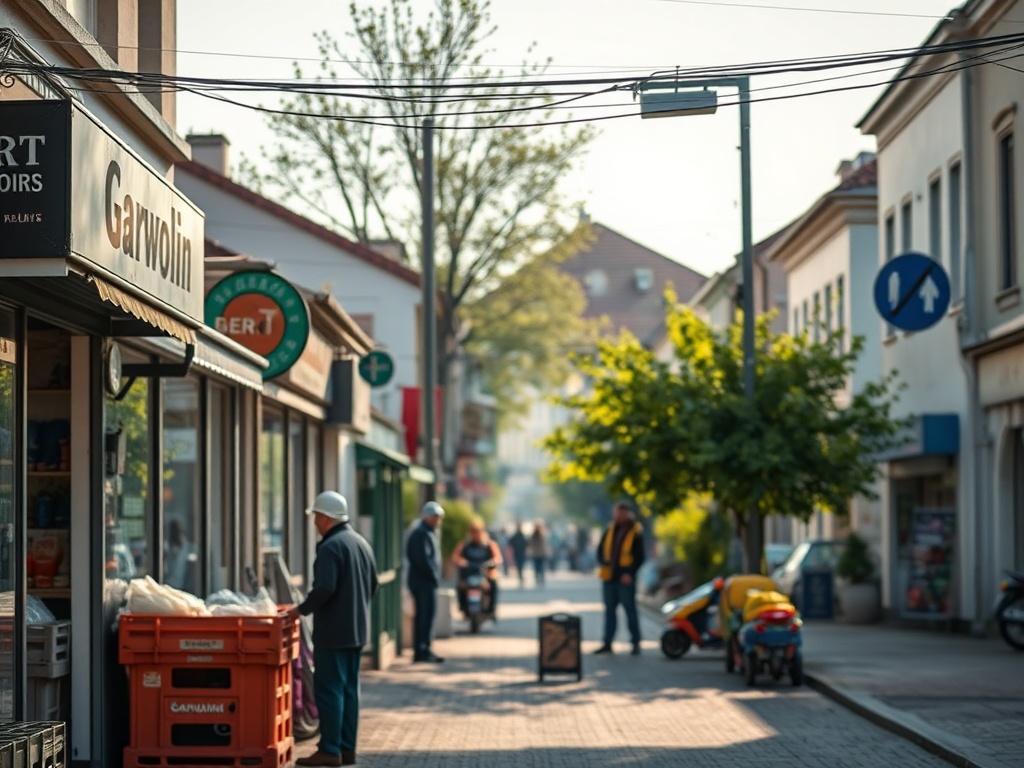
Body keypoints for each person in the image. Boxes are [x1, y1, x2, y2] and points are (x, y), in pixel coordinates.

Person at [296, 491, 378, 768]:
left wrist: (301, 609)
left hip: (332, 633)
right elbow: (374, 585)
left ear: (326, 517)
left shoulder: (330, 547)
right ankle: (347, 749)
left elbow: (325, 588)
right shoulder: (360, 543)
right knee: (349, 690)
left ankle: (330, 750)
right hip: (356, 632)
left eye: (316, 517)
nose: (315, 524)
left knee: (329, 690)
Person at [594, 502, 646, 656]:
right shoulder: (610, 529)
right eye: (616, 513)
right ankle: (607, 643)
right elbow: (600, 550)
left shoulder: (635, 531)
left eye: (620, 513)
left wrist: (630, 573)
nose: (617, 516)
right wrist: (603, 562)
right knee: (609, 611)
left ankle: (635, 642)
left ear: (628, 514)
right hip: (609, 578)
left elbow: (639, 556)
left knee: (630, 610)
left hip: (625, 580)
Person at [405, 501, 445, 663]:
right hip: (423, 583)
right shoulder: (420, 534)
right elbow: (422, 560)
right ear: (428, 517)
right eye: (435, 517)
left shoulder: (428, 532)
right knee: (423, 617)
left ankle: (425, 648)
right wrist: (433, 576)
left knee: (428, 616)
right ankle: (421, 651)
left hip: (427, 582)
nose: (438, 521)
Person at [452, 518, 503, 616]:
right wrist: (462, 562)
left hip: (485, 575)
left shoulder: (489, 545)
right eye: (473, 532)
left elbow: (497, 558)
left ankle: (491, 610)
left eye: (477, 531)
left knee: (494, 585)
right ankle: (463, 607)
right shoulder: (465, 545)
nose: (475, 534)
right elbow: (456, 557)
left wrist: (490, 563)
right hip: (469, 574)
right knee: (460, 586)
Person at [527, 520, 551, 587]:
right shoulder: (535, 535)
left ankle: (540, 579)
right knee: (538, 568)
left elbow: (545, 544)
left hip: (539, 554)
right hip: (538, 554)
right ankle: (539, 579)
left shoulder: (542, 534)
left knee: (540, 568)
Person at [508, 522, 528, 587]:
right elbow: (510, 543)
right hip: (517, 553)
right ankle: (520, 577)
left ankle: (521, 576)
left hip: (521, 553)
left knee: (521, 566)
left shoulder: (522, 535)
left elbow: (526, 543)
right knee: (519, 566)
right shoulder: (516, 535)